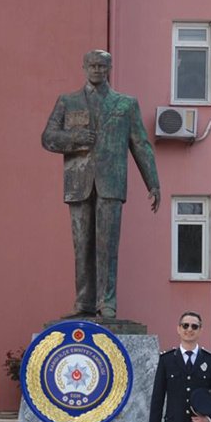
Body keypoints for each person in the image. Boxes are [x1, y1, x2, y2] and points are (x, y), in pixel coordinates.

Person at [41, 49, 161, 319]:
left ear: (109, 68)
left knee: (107, 245)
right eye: (92, 65)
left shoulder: (125, 104)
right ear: (83, 67)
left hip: (111, 184)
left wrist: (152, 182)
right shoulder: (67, 101)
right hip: (78, 183)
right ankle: (84, 301)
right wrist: (77, 139)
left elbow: (140, 144)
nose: (96, 70)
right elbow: (48, 137)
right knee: (82, 243)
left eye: (102, 66)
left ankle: (106, 302)